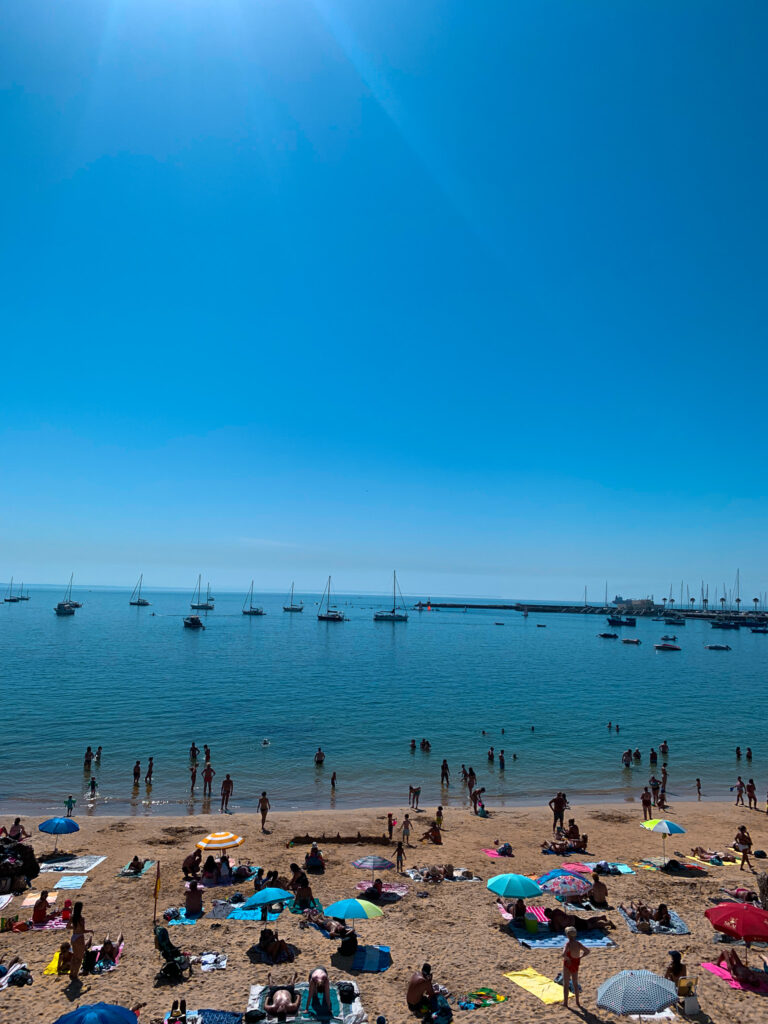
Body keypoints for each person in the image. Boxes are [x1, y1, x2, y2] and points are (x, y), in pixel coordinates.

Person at [561, 926, 588, 1008]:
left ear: (568, 935)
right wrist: (581, 956)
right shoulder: (578, 944)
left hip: (568, 964)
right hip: (575, 964)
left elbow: (563, 954)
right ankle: (577, 1002)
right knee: (575, 984)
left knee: (566, 984)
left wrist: (567, 958)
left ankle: (565, 1003)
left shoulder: (568, 944)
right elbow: (587, 951)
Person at [67, 901, 92, 982]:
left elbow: (67, 926)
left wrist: (74, 928)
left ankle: (71, 973)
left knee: (74, 957)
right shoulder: (81, 919)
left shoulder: (72, 917)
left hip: (74, 937)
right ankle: (75, 974)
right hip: (79, 939)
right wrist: (90, 931)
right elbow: (83, 930)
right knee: (80, 958)